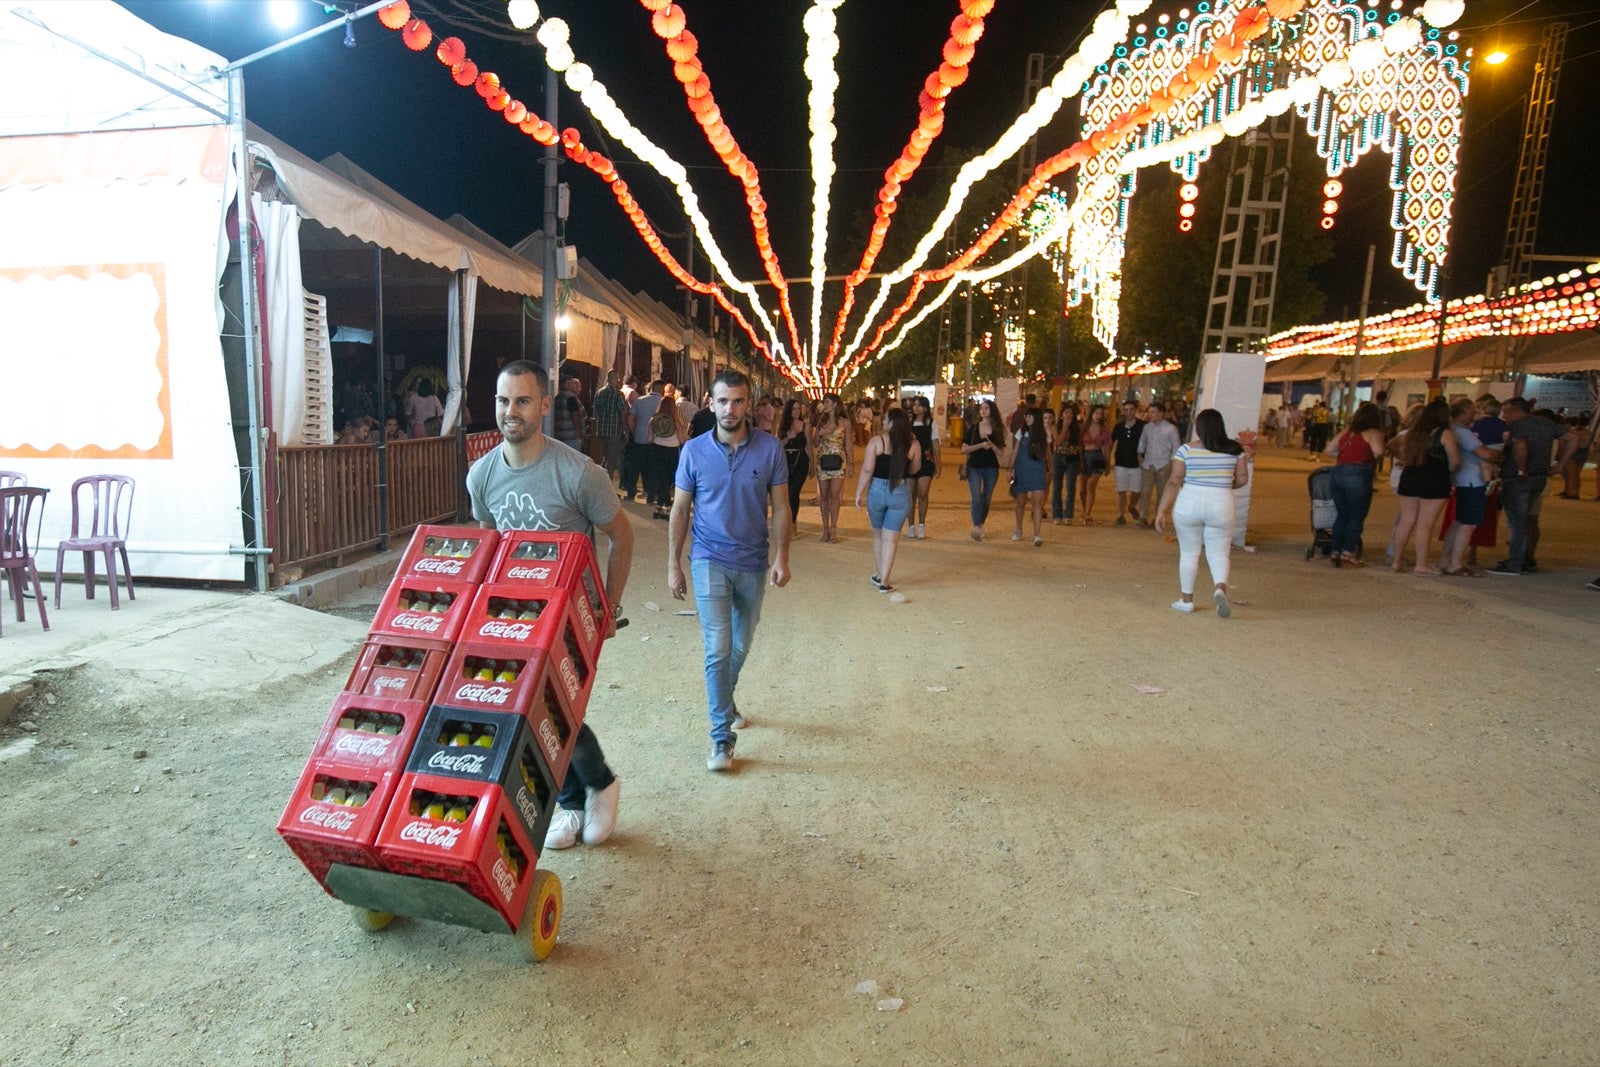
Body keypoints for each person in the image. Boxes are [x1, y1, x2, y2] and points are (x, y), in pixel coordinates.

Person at [467, 360, 633, 850]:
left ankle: (596, 787)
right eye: (502, 401)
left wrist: (607, 607)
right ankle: (576, 796)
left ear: (543, 405)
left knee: (555, 711)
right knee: (529, 710)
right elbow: (488, 543)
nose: (510, 411)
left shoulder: (580, 473)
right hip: (514, 618)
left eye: (521, 401)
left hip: (569, 616)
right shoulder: (481, 475)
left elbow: (620, 537)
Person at [668, 370, 792, 772]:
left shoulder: (770, 450)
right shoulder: (693, 452)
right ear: (711, 403)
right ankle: (722, 737)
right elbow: (681, 509)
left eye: (738, 401)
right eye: (723, 401)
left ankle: (726, 694)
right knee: (718, 648)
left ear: (749, 405)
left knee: (740, 645)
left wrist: (782, 556)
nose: (730, 409)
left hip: (753, 561)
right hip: (708, 558)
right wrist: (674, 564)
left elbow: (782, 508)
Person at [1154, 408, 1248, 617]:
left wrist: (1161, 510)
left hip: (1190, 502)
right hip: (1221, 503)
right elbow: (1242, 478)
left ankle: (1186, 600)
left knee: (1189, 553)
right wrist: (1224, 484)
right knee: (1219, 552)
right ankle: (1220, 588)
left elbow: (1175, 480)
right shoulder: (1235, 450)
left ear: (1199, 427)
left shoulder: (1186, 450)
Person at [1487, 397, 1561, 575]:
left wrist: (1521, 469)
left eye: (1506, 414)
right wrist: (1561, 463)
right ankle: (1526, 559)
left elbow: (1520, 444)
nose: (1505, 418)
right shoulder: (1547, 424)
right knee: (1528, 520)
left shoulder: (1518, 426)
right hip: (1540, 478)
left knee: (1516, 522)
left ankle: (1514, 563)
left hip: (1519, 479)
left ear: (1516, 411)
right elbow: (1572, 438)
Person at [854, 406, 921, 592]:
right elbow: (915, 470)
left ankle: (878, 573)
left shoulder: (877, 441)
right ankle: (884, 581)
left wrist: (859, 492)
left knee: (877, 534)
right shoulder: (913, 445)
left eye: (886, 419)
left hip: (877, 489)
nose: (883, 421)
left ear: (891, 423)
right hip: (900, 490)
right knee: (891, 539)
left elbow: (867, 470)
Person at [1391, 397, 1460, 576]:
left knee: (1406, 521)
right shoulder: (1444, 433)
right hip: (1435, 479)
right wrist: (1450, 471)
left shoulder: (1413, 432)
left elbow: (1397, 449)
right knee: (1425, 525)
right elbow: (1454, 461)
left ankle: (1396, 561)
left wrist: (1405, 461)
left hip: (1410, 477)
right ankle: (1421, 566)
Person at [1439, 398, 1502, 577]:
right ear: (1465, 411)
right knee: (1468, 524)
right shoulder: (1463, 433)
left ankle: (1446, 560)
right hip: (1472, 481)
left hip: (1460, 480)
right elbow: (1484, 454)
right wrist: (1500, 455)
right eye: (1473, 411)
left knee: (1458, 522)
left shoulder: (1451, 429)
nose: (1475, 415)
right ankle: (1455, 563)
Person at [1326, 402, 1387, 566]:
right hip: (1358, 475)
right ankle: (1348, 552)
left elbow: (1329, 450)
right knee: (1356, 516)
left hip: (1337, 474)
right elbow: (1379, 452)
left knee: (1342, 515)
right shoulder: (1374, 433)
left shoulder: (1348, 431)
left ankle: (1335, 550)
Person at [960, 398, 1006, 541]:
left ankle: (980, 523)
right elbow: (964, 449)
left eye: (986, 408)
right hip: (974, 466)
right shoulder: (973, 428)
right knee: (976, 497)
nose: (983, 410)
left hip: (991, 467)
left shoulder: (997, 429)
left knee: (986, 498)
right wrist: (980, 445)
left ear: (992, 410)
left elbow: (1001, 453)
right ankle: (977, 526)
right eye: (982, 408)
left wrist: (992, 445)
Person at [811, 393, 851, 543]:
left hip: (838, 461)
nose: (825, 405)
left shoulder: (845, 422)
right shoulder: (821, 421)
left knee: (835, 496)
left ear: (835, 404)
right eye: (824, 402)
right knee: (824, 496)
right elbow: (815, 444)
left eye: (827, 402)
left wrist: (851, 463)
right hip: (823, 460)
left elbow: (848, 445)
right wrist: (818, 434)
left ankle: (833, 528)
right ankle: (825, 528)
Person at [1136, 401, 1181, 529]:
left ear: (1161, 413)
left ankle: (1158, 516)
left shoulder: (1170, 428)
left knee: (1162, 492)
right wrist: (1140, 455)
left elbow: (1176, 446)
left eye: (1154, 412)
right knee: (1145, 491)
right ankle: (1143, 516)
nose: (1151, 414)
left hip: (1164, 463)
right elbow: (1142, 442)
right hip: (1148, 463)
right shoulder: (1147, 428)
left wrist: (1172, 462)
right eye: (1150, 412)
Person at [1009, 405, 1049, 545]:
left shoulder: (1044, 434)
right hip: (1022, 470)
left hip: (1038, 470)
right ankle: (1018, 528)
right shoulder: (1021, 432)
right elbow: (1015, 451)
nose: (1027, 418)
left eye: (1030, 416)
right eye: (1026, 416)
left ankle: (1037, 534)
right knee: (1020, 502)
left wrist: (1049, 470)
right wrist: (1011, 469)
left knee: (1037, 504)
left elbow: (1048, 453)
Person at [621, 379, 663, 501]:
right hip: (656, 440)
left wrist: (634, 431)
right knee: (652, 468)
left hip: (639, 438)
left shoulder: (639, 401)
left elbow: (630, 419)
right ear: (661, 390)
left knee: (635, 467)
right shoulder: (663, 402)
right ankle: (650, 495)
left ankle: (630, 493)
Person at [648, 384, 686, 520]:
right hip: (672, 451)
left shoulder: (654, 419)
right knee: (668, 480)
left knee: (661, 478)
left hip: (657, 449)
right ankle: (668, 507)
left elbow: (649, 438)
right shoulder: (677, 421)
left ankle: (659, 507)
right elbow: (682, 440)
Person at [907, 395, 939, 539]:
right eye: (915, 405)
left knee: (923, 493)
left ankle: (921, 524)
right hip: (910, 461)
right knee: (910, 495)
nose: (916, 407)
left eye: (919, 405)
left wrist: (938, 464)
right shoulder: (908, 423)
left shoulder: (931, 423)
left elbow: (935, 445)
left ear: (925, 408)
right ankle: (911, 526)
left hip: (926, 461)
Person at [1109, 401, 1144, 525]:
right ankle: (1120, 514)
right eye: (1126, 409)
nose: (1129, 412)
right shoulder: (1119, 427)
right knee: (1121, 490)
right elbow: (1111, 442)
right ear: (1123, 411)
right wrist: (1108, 459)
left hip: (1137, 464)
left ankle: (1132, 505)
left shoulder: (1142, 426)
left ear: (1135, 410)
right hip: (1121, 463)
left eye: (1131, 409)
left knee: (1137, 490)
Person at [777, 398, 811, 523]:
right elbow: (777, 445)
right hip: (785, 461)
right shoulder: (782, 426)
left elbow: (809, 446)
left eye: (798, 409)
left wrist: (812, 464)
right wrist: (787, 438)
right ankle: (787, 520)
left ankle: (793, 521)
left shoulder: (805, 425)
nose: (796, 411)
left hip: (801, 461)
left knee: (794, 492)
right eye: (794, 409)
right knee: (786, 494)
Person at [592, 371, 629, 478]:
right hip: (614, 431)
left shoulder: (599, 392)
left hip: (601, 430)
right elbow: (623, 413)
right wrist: (626, 431)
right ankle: (608, 482)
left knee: (606, 455)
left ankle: (601, 477)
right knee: (612, 458)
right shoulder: (617, 394)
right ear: (616, 379)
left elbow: (595, 411)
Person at [1078, 404, 1110, 523]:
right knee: (1082, 488)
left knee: (1091, 485)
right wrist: (1080, 458)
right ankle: (1084, 508)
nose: (1098, 416)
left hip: (1097, 457)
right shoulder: (1083, 428)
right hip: (1085, 456)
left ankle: (1088, 513)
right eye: (1096, 413)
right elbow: (1079, 445)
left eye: (1100, 414)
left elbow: (1106, 448)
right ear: (1092, 414)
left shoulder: (1105, 431)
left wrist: (1107, 464)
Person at [1050, 404, 1081, 525]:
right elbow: (1058, 442)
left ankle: (1068, 514)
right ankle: (1057, 514)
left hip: (1073, 458)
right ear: (1062, 415)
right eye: (1066, 413)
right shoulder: (1055, 427)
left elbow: (1079, 445)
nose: (1068, 415)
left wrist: (1081, 460)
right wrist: (1065, 427)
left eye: (1071, 413)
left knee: (1071, 487)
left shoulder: (1077, 428)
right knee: (1057, 486)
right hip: (1059, 457)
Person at [1556, 416, 1592, 499]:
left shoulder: (1574, 432)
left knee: (1570, 474)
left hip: (1574, 452)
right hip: (1583, 452)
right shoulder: (1588, 432)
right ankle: (1572, 491)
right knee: (1575, 474)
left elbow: (1568, 443)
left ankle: (1571, 492)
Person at [553, 376, 586, 453]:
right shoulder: (571, 397)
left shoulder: (558, 396)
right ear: (567, 384)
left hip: (559, 435)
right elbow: (575, 415)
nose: (579, 388)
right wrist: (579, 436)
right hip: (571, 437)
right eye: (576, 384)